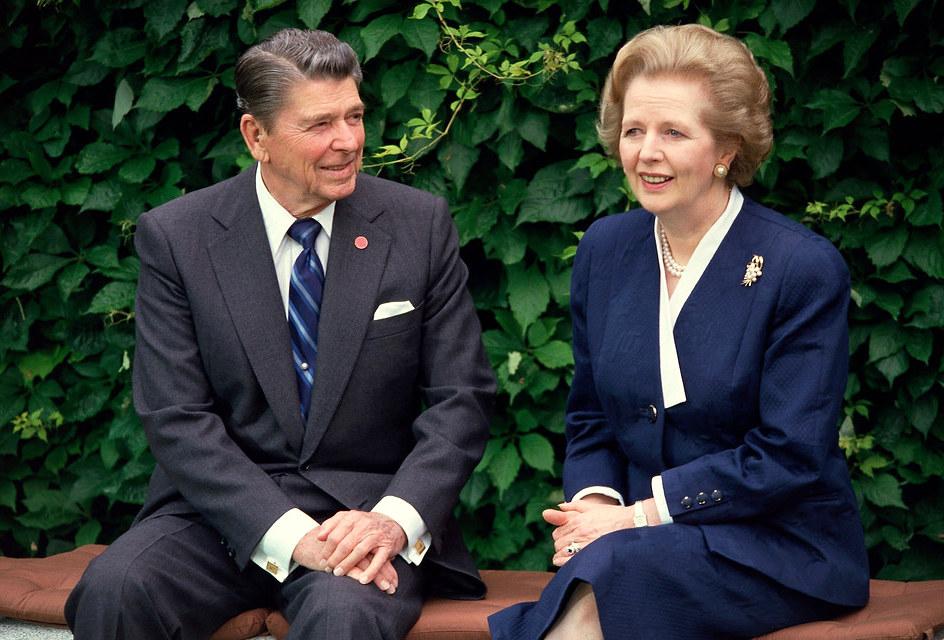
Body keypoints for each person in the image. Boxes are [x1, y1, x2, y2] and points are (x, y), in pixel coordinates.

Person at [65, 28, 496, 640]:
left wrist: (393, 521)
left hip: (364, 520)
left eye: (354, 117)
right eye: (319, 124)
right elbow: (176, 415)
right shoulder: (179, 239)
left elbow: (462, 401)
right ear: (256, 136)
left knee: (344, 616)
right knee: (116, 589)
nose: (347, 142)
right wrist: (291, 535)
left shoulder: (417, 225)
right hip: (216, 519)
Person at [488, 23, 869, 640]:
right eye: (634, 131)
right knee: (610, 571)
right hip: (636, 541)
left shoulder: (800, 267)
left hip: (779, 547)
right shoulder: (606, 250)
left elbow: (790, 452)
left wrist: (641, 514)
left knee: (608, 580)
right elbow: (590, 416)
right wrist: (597, 505)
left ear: (725, 149)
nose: (646, 152)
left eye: (673, 132)